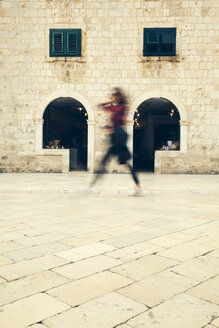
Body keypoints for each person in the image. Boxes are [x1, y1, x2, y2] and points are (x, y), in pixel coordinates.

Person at [87, 88, 143, 196]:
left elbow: (119, 122)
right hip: (117, 138)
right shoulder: (115, 107)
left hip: (119, 139)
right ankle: (138, 187)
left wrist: (112, 102)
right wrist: (108, 127)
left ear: (120, 96)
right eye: (113, 94)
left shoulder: (122, 107)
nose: (113, 96)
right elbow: (101, 106)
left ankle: (91, 186)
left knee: (106, 162)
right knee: (122, 163)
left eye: (115, 94)